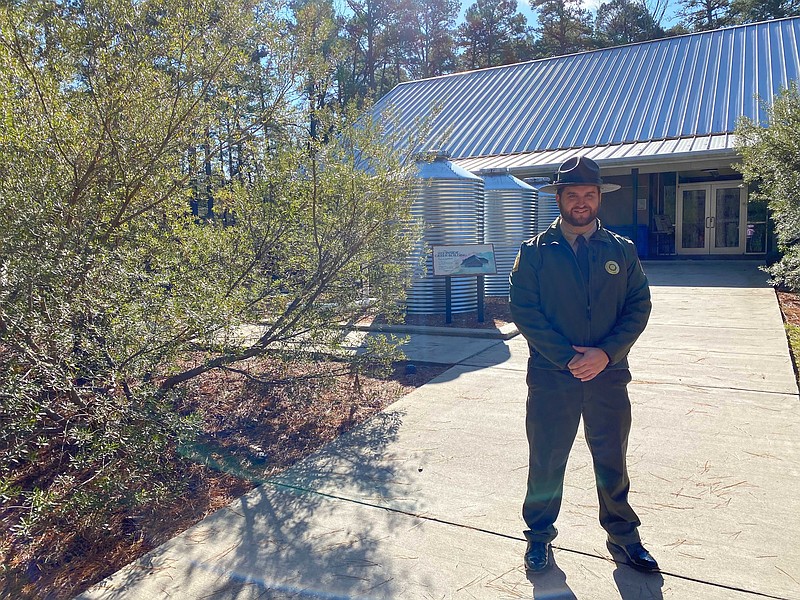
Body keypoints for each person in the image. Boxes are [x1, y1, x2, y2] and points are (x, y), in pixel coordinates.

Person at [508, 155, 658, 573]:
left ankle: (624, 537)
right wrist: (570, 359)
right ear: (558, 197)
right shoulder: (535, 253)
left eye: (588, 194)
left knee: (612, 459)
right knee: (546, 460)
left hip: (608, 378)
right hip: (552, 379)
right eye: (572, 194)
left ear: (598, 198)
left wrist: (606, 354)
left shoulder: (621, 250)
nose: (580, 202)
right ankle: (538, 537)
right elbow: (525, 310)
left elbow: (638, 306)